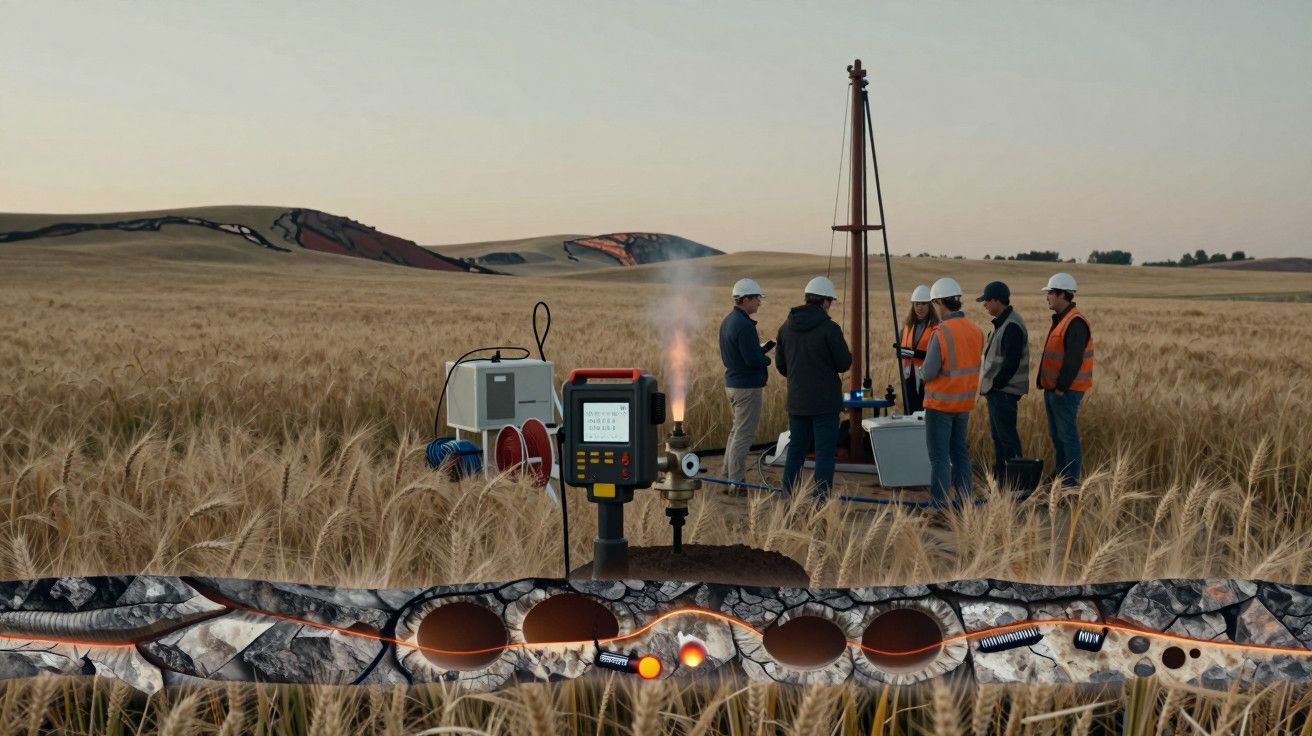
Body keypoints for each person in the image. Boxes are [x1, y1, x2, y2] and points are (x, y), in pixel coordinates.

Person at [775, 276, 852, 500]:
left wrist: (801, 376)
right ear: (825, 302)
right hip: (825, 404)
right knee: (825, 455)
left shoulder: (785, 327)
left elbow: (781, 366)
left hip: (797, 402)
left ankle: (788, 499)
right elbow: (843, 363)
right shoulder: (830, 328)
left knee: (796, 453)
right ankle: (821, 503)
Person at [919, 277, 984, 505]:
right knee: (960, 454)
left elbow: (928, 372)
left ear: (938, 303)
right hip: (963, 404)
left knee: (939, 457)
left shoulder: (941, 332)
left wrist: (919, 373)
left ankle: (938, 506)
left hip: (940, 405)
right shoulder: (976, 331)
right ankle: (965, 502)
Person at [1038, 273, 1093, 486]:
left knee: (1067, 436)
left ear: (1062, 294)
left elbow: (1073, 359)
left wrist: (1061, 388)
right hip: (1054, 390)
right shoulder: (1062, 319)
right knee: (1057, 435)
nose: (1047, 297)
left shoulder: (1075, 322)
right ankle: (1060, 476)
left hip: (1066, 391)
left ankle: (1070, 482)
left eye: (1050, 293)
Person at [718, 277, 771, 495]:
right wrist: (766, 359)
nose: (759, 302)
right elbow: (752, 360)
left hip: (732, 382)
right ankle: (737, 483)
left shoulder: (728, 321)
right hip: (746, 387)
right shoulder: (744, 325)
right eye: (757, 298)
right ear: (747, 299)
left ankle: (726, 478)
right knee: (743, 435)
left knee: (735, 432)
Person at [976, 280, 1029, 483]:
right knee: (1000, 437)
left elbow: (1011, 362)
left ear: (997, 300)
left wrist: (996, 384)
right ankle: (1002, 479)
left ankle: (1017, 482)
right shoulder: (1003, 322)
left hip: (1004, 392)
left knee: (1007, 438)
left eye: (987, 300)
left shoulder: (1011, 325)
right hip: (998, 391)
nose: (985, 304)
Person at [897, 284, 939, 413]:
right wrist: (901, 352)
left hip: (926, 378)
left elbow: (938, 355)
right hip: (908, 376)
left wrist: (915, 354)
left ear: (930, 305)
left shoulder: (936, 327)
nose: (919, 307)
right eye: (916, 304)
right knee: (910, 413)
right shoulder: (906, 327)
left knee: (924, 415)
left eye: (923, 304)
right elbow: (900, 351)